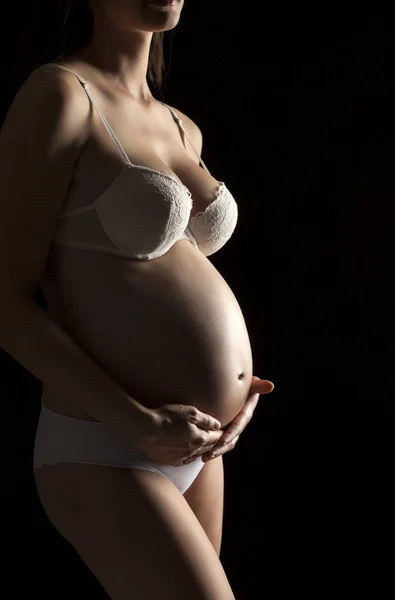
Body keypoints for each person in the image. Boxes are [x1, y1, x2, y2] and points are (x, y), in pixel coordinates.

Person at [0, 1, 274, 598]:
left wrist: (235, 391)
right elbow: (9, 307)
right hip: (107, 440)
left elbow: (169, 287)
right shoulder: (61, 95)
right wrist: (138, 422)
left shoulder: (181, 126)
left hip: (200, 445)